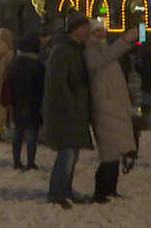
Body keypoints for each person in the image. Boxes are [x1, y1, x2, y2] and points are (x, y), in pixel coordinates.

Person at [41, 12, 95, 209]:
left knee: (72, 154)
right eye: (84, 27)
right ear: (75, 29)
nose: (88, 30)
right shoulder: (64, 50)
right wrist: (69, 106)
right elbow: (57, 84)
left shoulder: (75, 48)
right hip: (66, 113)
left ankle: (65, 189)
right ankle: (56, 192)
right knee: (66, 154)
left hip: (74, 111)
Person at [85, 17, 139, 203]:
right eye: (97, 31)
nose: (101, 34)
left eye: (102, 30)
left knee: (115, 151)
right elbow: (103, 59)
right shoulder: (91, 50)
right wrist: (124, 41)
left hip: (114, 105)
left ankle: (111, 190)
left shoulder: (102, 48)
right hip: (103, 106)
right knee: (108, 152)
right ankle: (101, 191)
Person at [5, 32, 46, 171]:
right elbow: (42, 85)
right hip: (33, 103)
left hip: (17, 102)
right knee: (31, 134)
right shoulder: (37, 64)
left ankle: (16, 161)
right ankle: (30, 161)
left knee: (17, 132)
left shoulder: (14, 62)